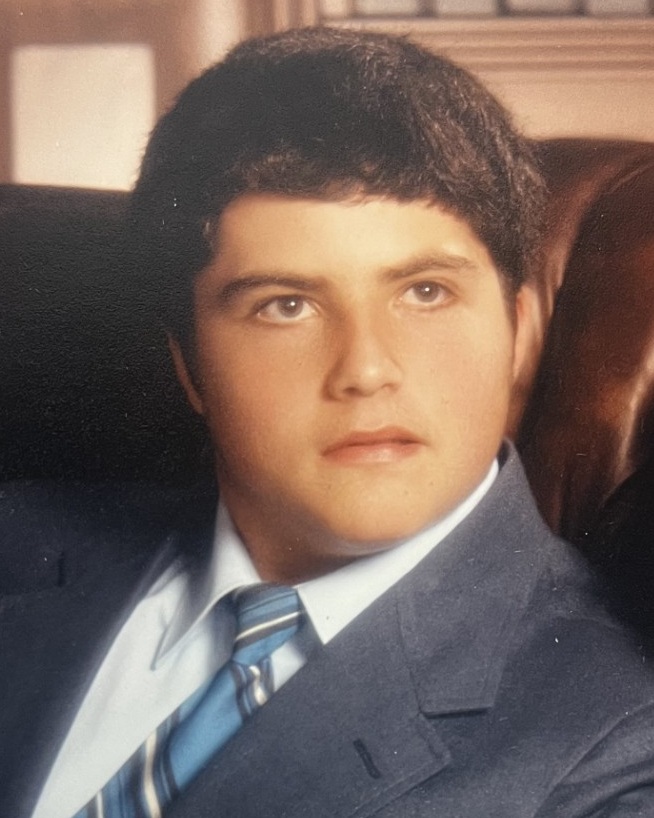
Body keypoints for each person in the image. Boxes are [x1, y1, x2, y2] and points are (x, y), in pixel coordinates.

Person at [2, 26, 654, 818]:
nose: (366, 370)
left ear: (517, 333)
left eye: (425, 293)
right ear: (189, 365)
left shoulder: (616, 749)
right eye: (286, 305)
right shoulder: (20, 538)